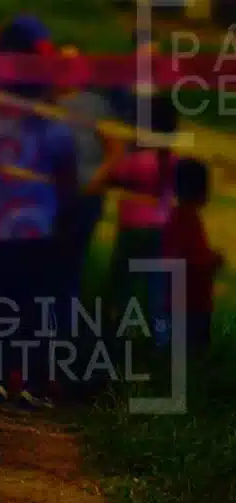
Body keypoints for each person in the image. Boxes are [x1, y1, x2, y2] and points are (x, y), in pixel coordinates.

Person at [0, 17, 78, 408]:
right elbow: (66, 180)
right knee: (29, 308)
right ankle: (27, 380)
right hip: (34, 232)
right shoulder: (51, 123)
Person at [98, 93, 178, 346]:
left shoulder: (137, 162)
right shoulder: (173, 161)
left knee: (122, 284)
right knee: (158, 290)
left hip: (132, 229)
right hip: (163, 229)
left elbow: (111, 175)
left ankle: (119, 336)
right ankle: (162, 341)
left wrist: (112, 145)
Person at [53, 44, 127, 312]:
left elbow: (116, 150)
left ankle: (65, 327)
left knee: (72, 264)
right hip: (49, 199)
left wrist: (95, 181)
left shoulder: (97, 105)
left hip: (85, 198)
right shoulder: (44, 102)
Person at [161, 158, 224, 354]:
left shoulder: (175, 216)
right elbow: (194, 260)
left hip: (177, 299)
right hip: (192, 302)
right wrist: (214, 260)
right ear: (202, 191)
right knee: (192, 350)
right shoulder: (188, 219)